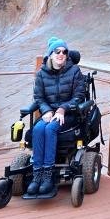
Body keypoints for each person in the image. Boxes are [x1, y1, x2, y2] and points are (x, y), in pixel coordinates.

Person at [26, 37, 86, 196]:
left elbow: (79, 96)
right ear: (50, 54)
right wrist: (46, 110)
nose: (61, 54)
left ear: (67, 55)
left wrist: (62, 109)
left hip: (68, 114)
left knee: (50, 129)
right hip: (49, 113)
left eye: (64, 52)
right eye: (57, 51)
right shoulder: (41, 74)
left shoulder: (74, 72)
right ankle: (36, 176)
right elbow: (38, 97)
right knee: (38, 129)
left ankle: (48, 176)